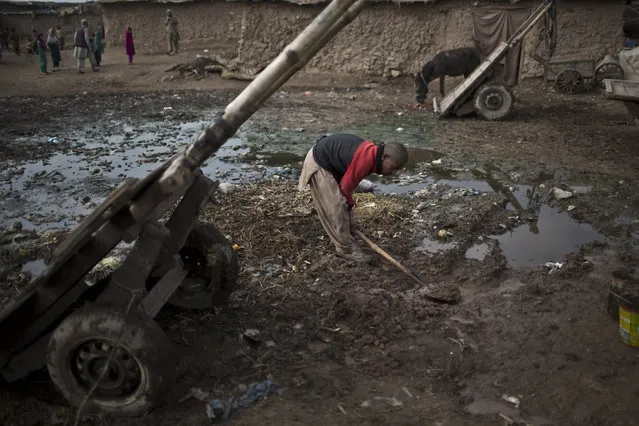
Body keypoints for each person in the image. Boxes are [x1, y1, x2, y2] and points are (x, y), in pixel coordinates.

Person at [298, 133, 408, 262]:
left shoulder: (372, 155)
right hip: (319, 163)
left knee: (343, 205)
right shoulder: (366, 160)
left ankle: (347, 234)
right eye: (394, 167)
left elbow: (348, 184)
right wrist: (348, 207)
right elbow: (345, 189)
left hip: (333, 164)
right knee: (336, 206)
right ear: (384, 157)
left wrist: (349, 214)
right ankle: (345, 250)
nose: (394, 173)